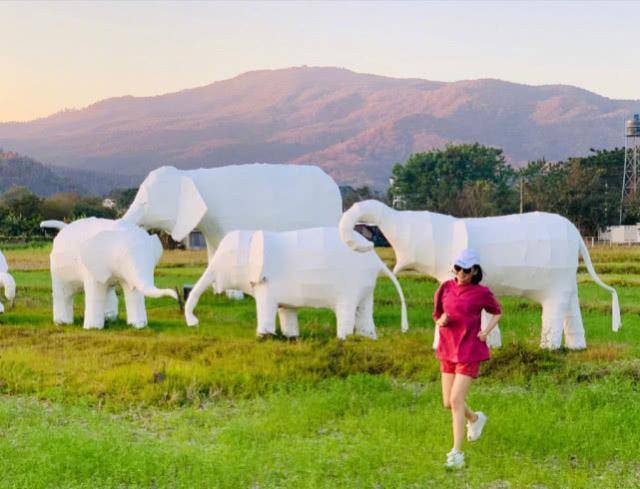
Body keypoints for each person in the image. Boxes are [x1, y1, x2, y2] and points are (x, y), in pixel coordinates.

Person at [432, 248, 502, 469]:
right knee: (447, 402)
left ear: (474, 271)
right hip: (447, 349)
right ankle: (474, 419)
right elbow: (436, 314)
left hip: (469, 350)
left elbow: (498, 311)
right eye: (458, 268)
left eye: (466, 269)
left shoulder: (481, 292)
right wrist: (440, 320)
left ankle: (456, 453)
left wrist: (486, 331)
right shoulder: (445, 287)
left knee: (455, 400)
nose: (461, 272)